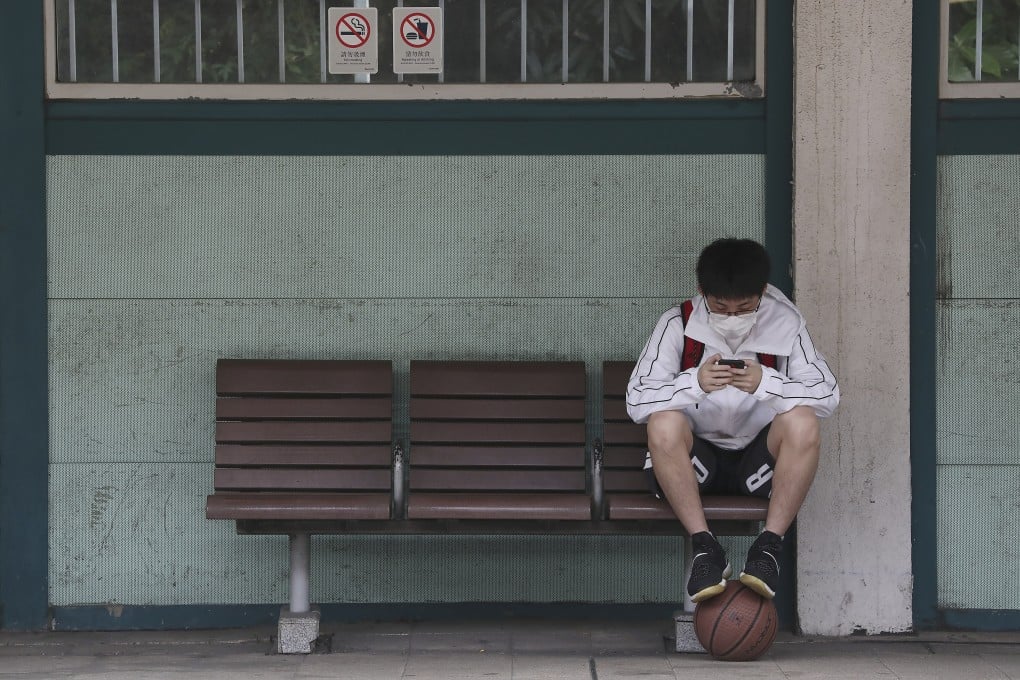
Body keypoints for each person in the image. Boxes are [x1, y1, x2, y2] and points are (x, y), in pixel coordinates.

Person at [625, 238, 839, 604]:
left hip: (757, 467)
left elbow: (827, 394)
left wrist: (767, 384)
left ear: (762, 293)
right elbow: (636, 400)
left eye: (744, 308)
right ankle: (705, 548)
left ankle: (768, 548)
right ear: (702, 292)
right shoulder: (678, 322)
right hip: (695, 465)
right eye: (720, 307)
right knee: (662, 422)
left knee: (803, 421)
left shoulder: (786, 324)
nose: (732, 317)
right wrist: (693, 383)